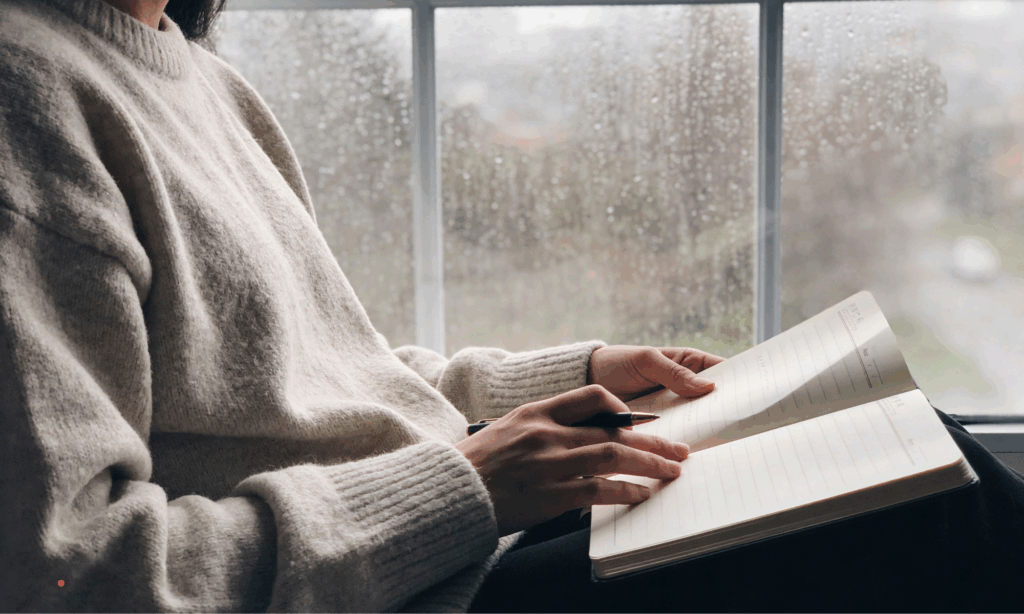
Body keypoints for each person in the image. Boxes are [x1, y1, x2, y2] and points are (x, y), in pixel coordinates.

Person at [1, 0, 1023, 611]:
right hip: (422, 585)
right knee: (938, 514)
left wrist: (568, 375)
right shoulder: (26, 91)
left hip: (451, 538)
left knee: (924, 445)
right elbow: (71, 579)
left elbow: (313, 377)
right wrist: (465, 487)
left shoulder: (202, 80)